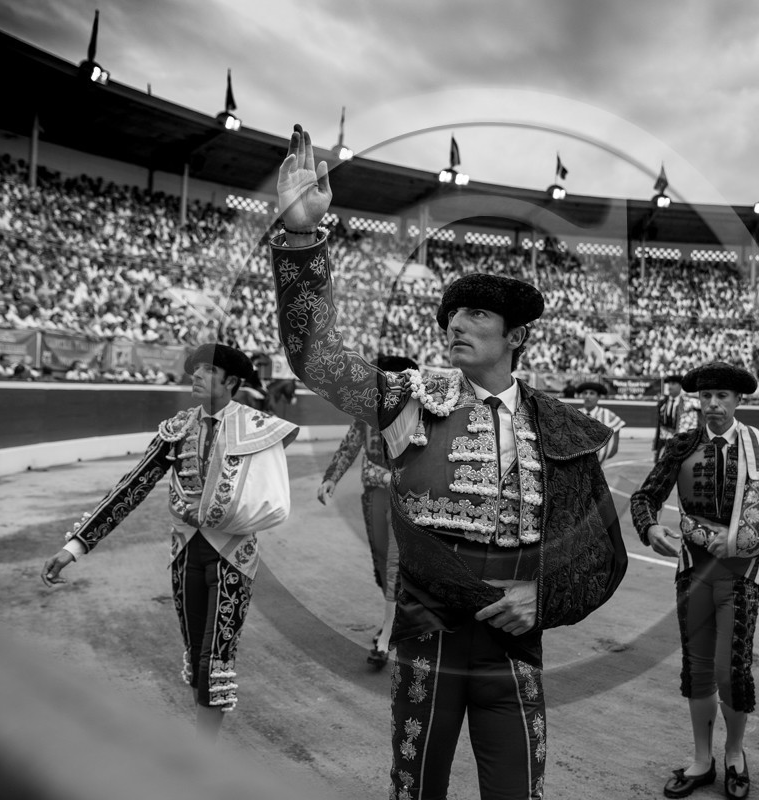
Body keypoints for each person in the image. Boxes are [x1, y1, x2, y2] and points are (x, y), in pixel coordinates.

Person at [267, 124, 627, 799]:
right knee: (416, 788)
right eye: (451, 315)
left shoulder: (559, 426)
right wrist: (299, 237)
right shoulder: (410, 397)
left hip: (514, 640)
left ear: (515, 337)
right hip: (427, 630)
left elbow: (599, 548)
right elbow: (313, 355)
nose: (454, 324)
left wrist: (542, 598)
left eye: (475, 316)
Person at [40, 343, 299, 740]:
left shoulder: (258, 427)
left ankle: (202, 757)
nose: (194, 375)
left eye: (206, 371)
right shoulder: (178, 428)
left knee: (216, 661)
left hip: (233, 557)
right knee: (198, 657)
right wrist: (75, 545)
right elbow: (132, 487)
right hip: (186, 554)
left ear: (230, 382)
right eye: (194, 369)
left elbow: (271, 503)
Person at [630, 362, 759, 800]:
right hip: (693, 569)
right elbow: (645, 497)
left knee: (733, 670)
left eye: (722, 396)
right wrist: (650, 529)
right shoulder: (682, 444)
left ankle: (735, 754)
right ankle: (703, 759)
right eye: (705, 397)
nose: (712, 405)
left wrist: (744, 541)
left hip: (742, 573)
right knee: (698, 668)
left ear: (738, 400)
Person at [316, 354, 419, 670]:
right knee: (380, 563)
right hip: (374, 495)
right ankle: (396, 618)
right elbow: (351, 444)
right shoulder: (367, 411)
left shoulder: (418, 409)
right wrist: (331, 477)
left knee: (394, 564)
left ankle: (387, 634)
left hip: (406, 497)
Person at [577, 380, 626, 462]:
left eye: (592, 393)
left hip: (599, 465)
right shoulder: (576, 414)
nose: (587, 396)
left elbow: (614, 448)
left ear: (598, 397)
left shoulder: (608, 415)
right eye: (585, 393)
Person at [654, 374, 700, 458]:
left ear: (680, 386)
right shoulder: (663, 402)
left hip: (683, 442)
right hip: (665, 441)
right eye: (669, 384)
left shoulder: (689, 402)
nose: (670, 387)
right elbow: (660, 425)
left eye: (673, 384)